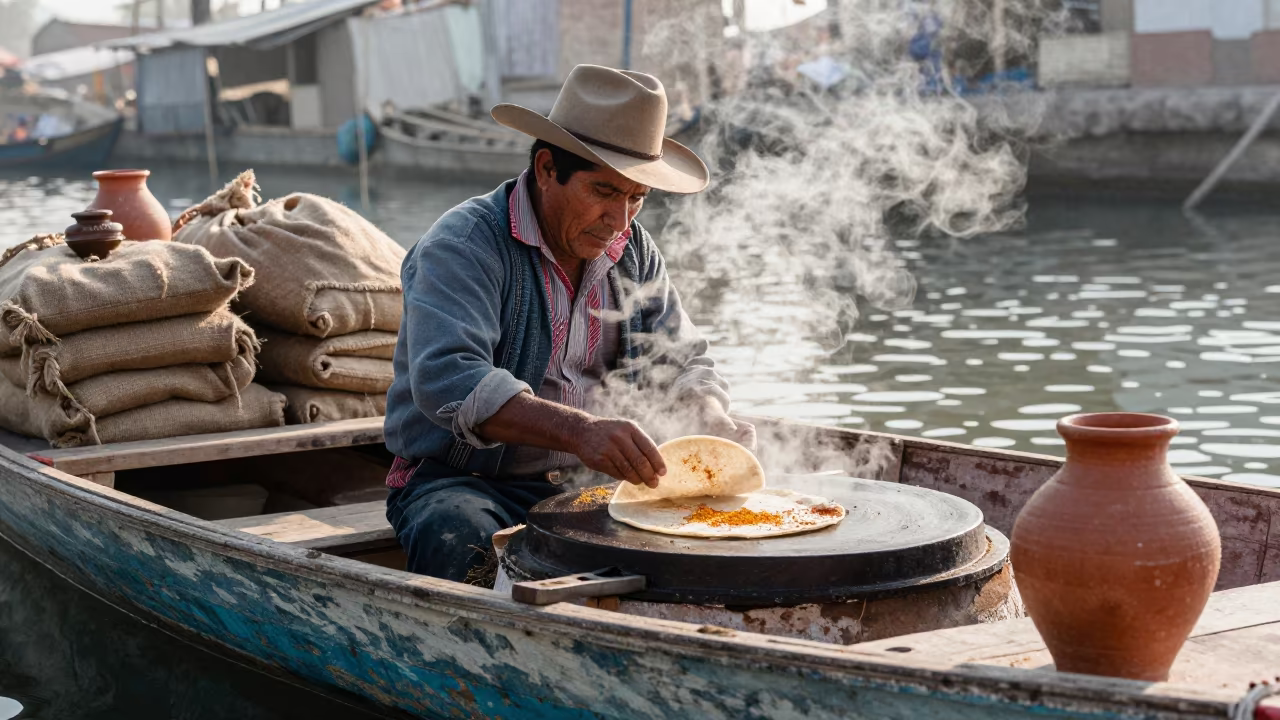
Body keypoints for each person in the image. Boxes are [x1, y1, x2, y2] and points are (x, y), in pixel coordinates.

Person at [384, 64, 754, 582]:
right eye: (603, 192)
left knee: (708, 543)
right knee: (457, 531)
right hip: (466, 481)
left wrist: (709, 415)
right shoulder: (465, 245)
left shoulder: (634, 251)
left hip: (588, 484)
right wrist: (579, 430)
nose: (620, 219)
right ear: (545, 169)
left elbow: (683, 359)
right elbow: (449, 378)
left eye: (636, 198)